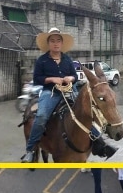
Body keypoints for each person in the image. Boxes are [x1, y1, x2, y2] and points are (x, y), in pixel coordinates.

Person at [21, 28, 116, 162]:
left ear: (61, 43)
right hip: (50, 92)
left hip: (69, 90)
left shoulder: (67, 59)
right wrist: (52, 79)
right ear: (48, 43)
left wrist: (70, 79)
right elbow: (37, 79)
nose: (55, 43)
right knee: (41, 116)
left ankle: (99, 143)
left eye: (58, 40)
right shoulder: (42, 60)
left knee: (87, 112)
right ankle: (30, 150)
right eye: (52, 41)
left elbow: (75, 76)